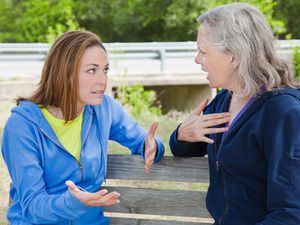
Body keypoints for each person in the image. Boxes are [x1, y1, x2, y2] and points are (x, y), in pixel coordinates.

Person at [1, 30, 165, 225]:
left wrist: (153, 147)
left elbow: (142, 140)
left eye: (105, 70)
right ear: (65, 73)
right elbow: (34, 206)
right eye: (91, 70)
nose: (102, 80)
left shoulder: (103, 109)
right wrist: (72, 203)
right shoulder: (22, 126)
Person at [169, 3, 300, 225]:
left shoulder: (285, 114)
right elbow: (187, 148)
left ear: (234, 56)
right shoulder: (225, 99)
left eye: (203, 51)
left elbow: (290, 213)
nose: (197, 59)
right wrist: (183, 134)